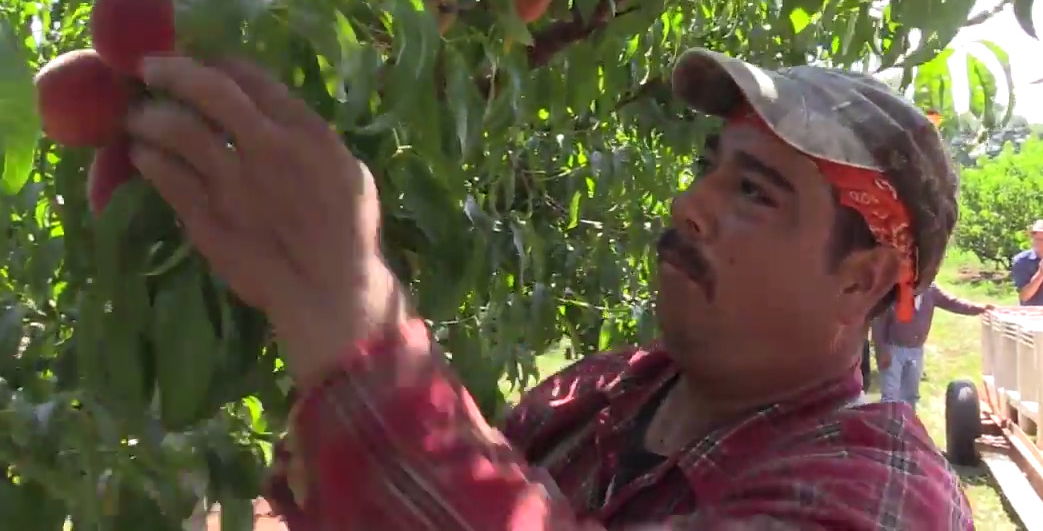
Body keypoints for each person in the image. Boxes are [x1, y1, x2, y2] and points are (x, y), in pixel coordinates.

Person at [124, 49, 975, 530]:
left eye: (755, 192)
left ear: (859, 279)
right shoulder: (603, 394)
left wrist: (346, 311)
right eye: (708, 169)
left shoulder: (885, 496)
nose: (690, 204)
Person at [872, 282, 993, 409]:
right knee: (891, 395)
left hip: (917, 350)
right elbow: (878, 323)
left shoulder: (930, 290)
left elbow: (953, 303)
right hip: (893, 349)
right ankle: (888, 426)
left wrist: (981, 308)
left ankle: (908, 426)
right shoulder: (893, 291)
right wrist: (882, 351)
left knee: (911, 396)